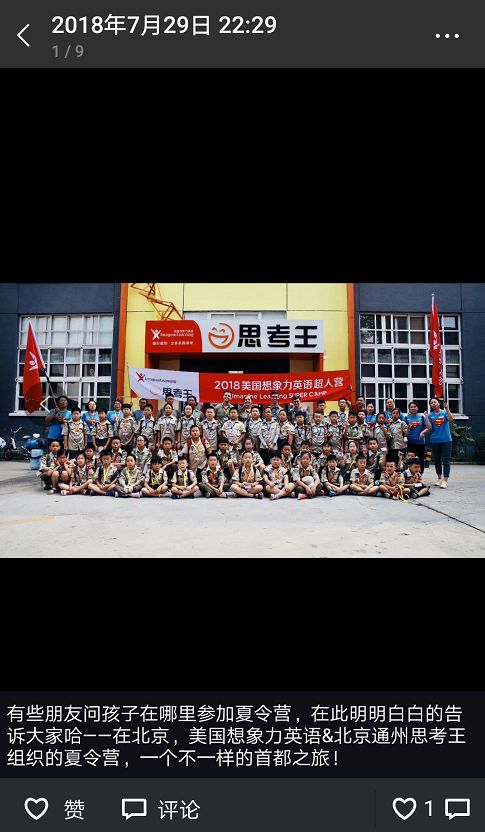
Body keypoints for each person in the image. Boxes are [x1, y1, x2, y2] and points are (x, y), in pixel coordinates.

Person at [425, 398, 454, 489]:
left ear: (439, 403)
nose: (433, 404)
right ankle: (439, 478)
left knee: (446, 460)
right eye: (431, 403)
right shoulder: (430, 415)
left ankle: (445, 480)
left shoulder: (444, 413)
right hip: (435, 440)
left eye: (435, 402)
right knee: (437, 460)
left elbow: (451, 419)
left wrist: (447, 409)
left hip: (446, 440)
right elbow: (429, 428)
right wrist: (426, 417)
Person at [404, 401, 428, 471]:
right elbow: (404, 431)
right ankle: (410, 475)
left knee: (420, 460)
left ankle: (420, 475)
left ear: (417, 408)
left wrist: (422, 433)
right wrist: (408, 429)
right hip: (410, 442)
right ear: (409, 409)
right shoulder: (406, 418)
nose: (413, 408)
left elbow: (428, 427)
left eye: (414, 407)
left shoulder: (422, 417)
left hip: (420, 442)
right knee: (410, 460)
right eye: (411, 407)